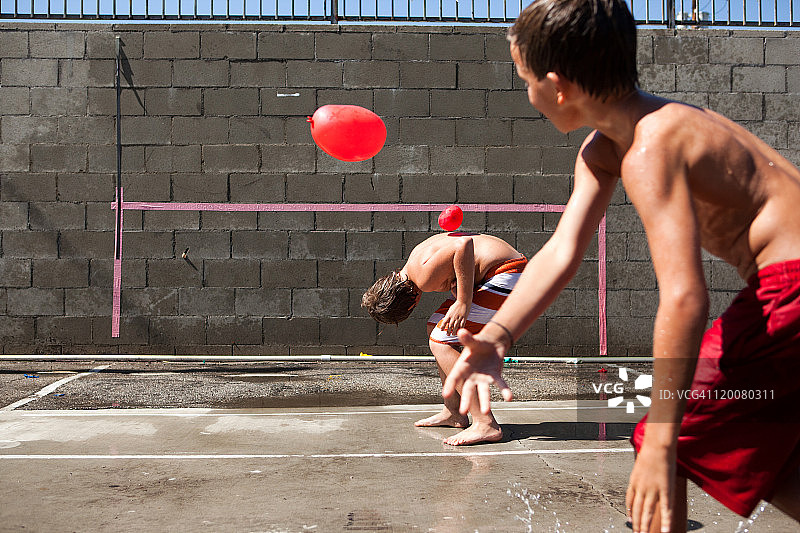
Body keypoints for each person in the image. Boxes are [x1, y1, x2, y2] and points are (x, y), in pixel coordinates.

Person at [441, 0, 800, 531]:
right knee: (713, 434)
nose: (527, 94)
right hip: (780, 290)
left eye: (525, 80)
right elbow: (562, 252)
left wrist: (659, 439)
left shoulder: (652, 146)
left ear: (558, 86)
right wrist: (495, 336)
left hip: (790, 288)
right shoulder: (608, 147)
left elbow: (683, 296)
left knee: (671, 435)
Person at [362, 231, 527, 445]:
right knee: (435, 328)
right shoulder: (414, 260)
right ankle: (454, 411)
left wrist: (464, 301)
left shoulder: (422, 277)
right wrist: (460, 285)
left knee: (440, 340)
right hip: (501, 270)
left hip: (507, 274)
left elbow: (463, 244)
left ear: (410, 303)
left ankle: (485, 423)